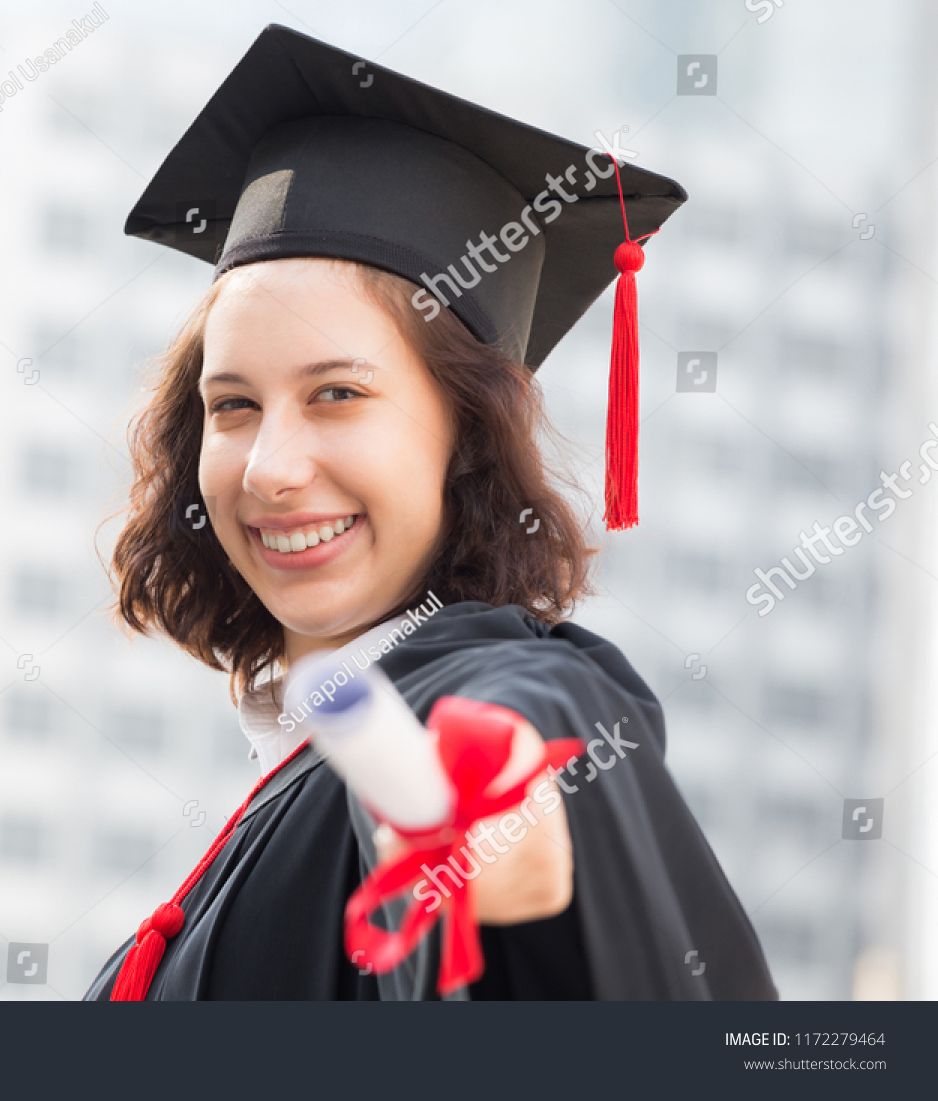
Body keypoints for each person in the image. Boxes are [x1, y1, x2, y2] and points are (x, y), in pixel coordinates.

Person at [84, 25, 776, 1001]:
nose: (271, 469)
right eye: (233, 405)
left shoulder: (492, 697)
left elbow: (527, 718)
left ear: (468, 436)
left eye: (338, 395)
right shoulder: (285, 778)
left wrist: (493, 807)